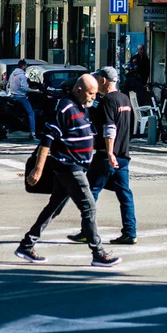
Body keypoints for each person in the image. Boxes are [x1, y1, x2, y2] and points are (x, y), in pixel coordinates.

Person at [14, 75, 122, 267]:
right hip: (69, 167)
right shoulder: (65, 107)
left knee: (53, 208)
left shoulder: (81, 107)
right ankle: (98, 253)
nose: (93, 98)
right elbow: (47, 138)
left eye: (95, 94)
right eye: (91, 93)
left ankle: (26, 244)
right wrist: (38, 170)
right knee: (89, 208)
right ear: (79, 90)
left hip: (76, 167)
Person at [67, 67, 137, 245]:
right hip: (123, 155)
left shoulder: (108, 101)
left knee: (91, 193)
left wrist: (110, 152)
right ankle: (130, 232)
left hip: (108, 156)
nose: (95, 82)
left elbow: (109, 129)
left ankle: (87, 231)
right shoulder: (124, 99)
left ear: (104, 81)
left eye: (97, 79)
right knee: (124, 194)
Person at [8, 59, 39, 140]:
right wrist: (35, 90)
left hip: (12, 96)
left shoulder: (12, 74)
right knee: (31, 113)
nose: (26, 67)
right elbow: (24, 88)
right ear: (23, 66)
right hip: (20, 97)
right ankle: (33, 133)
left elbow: (8, 85)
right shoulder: (22, 76)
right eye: (25, 66)